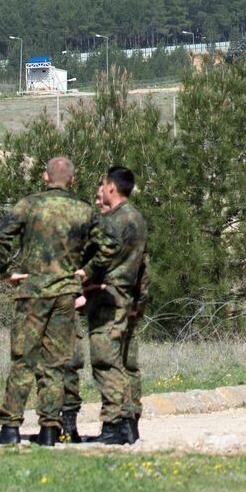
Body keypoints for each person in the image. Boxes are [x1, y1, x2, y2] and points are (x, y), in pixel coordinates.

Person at [0, 155, 113, 446]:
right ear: (72, 181)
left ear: (45, 177)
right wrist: (87, 271)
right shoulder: (84, 211)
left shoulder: (28, 205)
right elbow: (109, 245)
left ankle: (10, 426)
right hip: (65, 294)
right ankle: (48, 428)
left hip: (32, 292)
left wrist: (7, 271)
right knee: (56, 364)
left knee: (23, 360)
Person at [75, 165, 148, 445]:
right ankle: (129, 423)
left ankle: (113, 426)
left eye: (103, 185)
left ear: (111, 187)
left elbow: (98, 259)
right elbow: (144, 266)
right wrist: (139, 302)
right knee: (127, 364)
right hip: (128, 298)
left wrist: (83, 278)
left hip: (108, 298)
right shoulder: (138, 219)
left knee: (106, 361)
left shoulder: (112, 222)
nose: (101, 190)